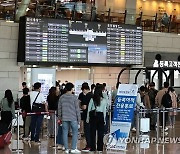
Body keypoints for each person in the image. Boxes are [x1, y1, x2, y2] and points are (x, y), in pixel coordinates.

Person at [58, 82, 81, 154]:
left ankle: (66, 149)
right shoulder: (74, 97)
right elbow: (77, 109)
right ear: (71, 89)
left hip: (64, 118)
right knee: (75, 132)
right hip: (73, 117)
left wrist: (60, 117)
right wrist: (79, 119)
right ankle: (73, 148)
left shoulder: (61, 97)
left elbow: (59, 108)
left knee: (64, 133)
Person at [86, 84, 107, 152]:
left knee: (92, 132)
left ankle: (93, 147)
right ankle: (100, 148)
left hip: (93, 115)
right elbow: (104, 110)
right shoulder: (104, 100)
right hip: (100, 115)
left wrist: (87, 118)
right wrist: (104, 119)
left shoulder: (92, 99)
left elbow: (89, 109)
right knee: (100, 133)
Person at [80, 85, 93, 152]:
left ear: (84, 89)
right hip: (93, 116)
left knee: (87, 131)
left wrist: (80, 106)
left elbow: (84, 107)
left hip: (87, 116)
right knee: (92, 131)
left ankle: (88, 146)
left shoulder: (86, 96)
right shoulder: (93, 95)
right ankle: (92, 145)